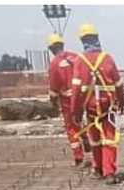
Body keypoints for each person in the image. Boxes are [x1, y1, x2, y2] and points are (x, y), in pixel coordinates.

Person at [71, 23, 123, 183]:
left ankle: (98, 168)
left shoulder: (80, 60)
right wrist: (121, 102)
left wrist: (76, 112)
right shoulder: (107, 58)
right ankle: (109, 172)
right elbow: (119, 84)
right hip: (108, 106)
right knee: (109, 140)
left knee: (95, 139)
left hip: (90, 107)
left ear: (82, 41)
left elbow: (76, 89)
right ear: (97, 38)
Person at [47, 33, 84, 166]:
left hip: (67, 100)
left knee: (71, 127)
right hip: (82, 96)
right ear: (62, 45)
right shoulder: (76, 56)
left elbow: (53, 88)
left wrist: (53, 103)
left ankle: (78, 156)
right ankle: (87, 139)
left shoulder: (54, 64)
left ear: (51, 48)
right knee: (84, 121)